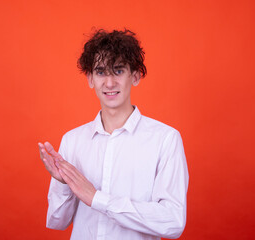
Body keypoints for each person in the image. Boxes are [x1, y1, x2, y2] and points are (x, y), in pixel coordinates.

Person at [38, 29, 189, 240]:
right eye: (100, 72)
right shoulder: (72, 141)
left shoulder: (165, 139)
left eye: (118, 71)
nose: (109, 83)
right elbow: (57, 222)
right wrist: (64, 184)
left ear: (135, 76)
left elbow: (172, 222)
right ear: (90, 78)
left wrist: (97, 198)